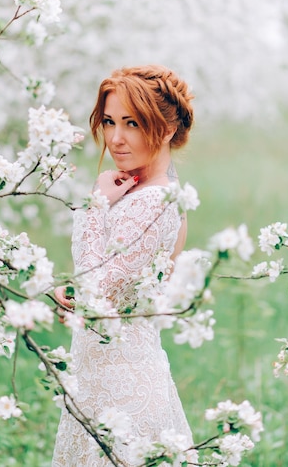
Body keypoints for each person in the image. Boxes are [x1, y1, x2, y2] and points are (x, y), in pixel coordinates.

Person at [52, 65, 197, 466]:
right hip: (100, 377)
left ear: (165, 130)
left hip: (124, 392)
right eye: (110, 121)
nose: (116, 138)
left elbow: (94, 287)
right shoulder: (146, 192)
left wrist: (96, 202)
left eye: (132, 124)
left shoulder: (156, 201)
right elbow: (103, 290)